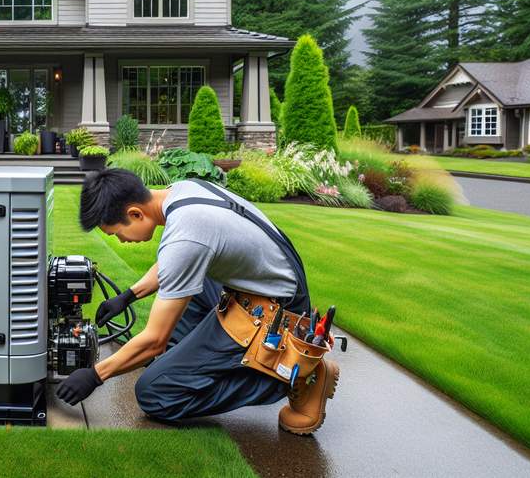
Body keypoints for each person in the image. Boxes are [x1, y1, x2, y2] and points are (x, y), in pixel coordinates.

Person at [55, 168, 339, 434]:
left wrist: (95, 375)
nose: (120, 239)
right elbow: (177, 263)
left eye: (116, 232)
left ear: (135, 213)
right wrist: (128, 296)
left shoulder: (187, 236)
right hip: (264, 284)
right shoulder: (181, 191)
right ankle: (193, 364)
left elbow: (155, 338)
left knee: (154, 394)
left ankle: (288, 376)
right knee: (177, 318)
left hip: (276, 314)